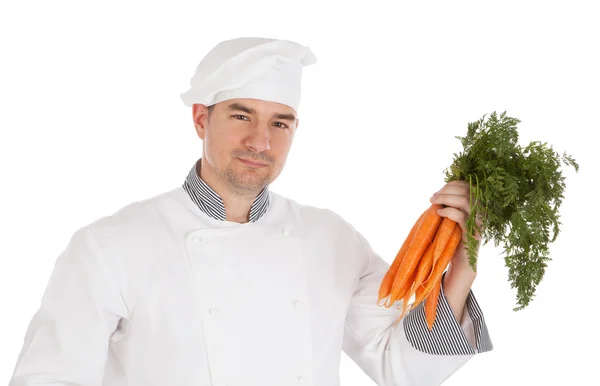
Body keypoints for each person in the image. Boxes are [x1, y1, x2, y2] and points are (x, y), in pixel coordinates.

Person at [9, 37, 492, 386]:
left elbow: (402, 368)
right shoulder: (110, 246)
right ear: (201, 118)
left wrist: (460, 271)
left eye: (280, 122)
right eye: (242, 115)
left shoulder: (331, 239)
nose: (261, 142)